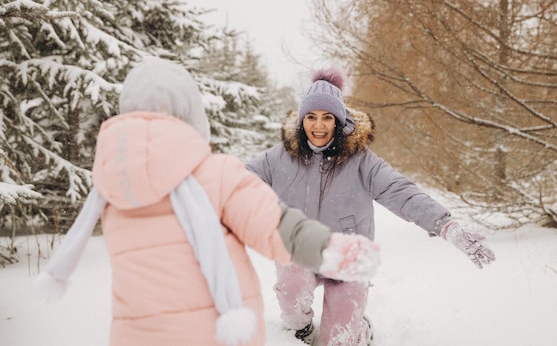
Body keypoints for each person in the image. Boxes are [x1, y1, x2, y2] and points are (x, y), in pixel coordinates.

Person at [32, 58, 381, 346]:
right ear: (191, 113)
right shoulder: (215, 176)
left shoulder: (111, 189)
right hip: (220, 332)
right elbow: (273, 225)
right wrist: (330, 249)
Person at [246, 69, 496, 346]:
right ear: (302, 120)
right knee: (291, 294)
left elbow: (401, 192)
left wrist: (445, 225)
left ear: (339, 122)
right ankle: (301, 330)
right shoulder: (280, 157)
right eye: (311, 117)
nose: (319, 126)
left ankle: (359, 331)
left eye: (327, 117)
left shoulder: (361, 161)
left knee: (340, 340)